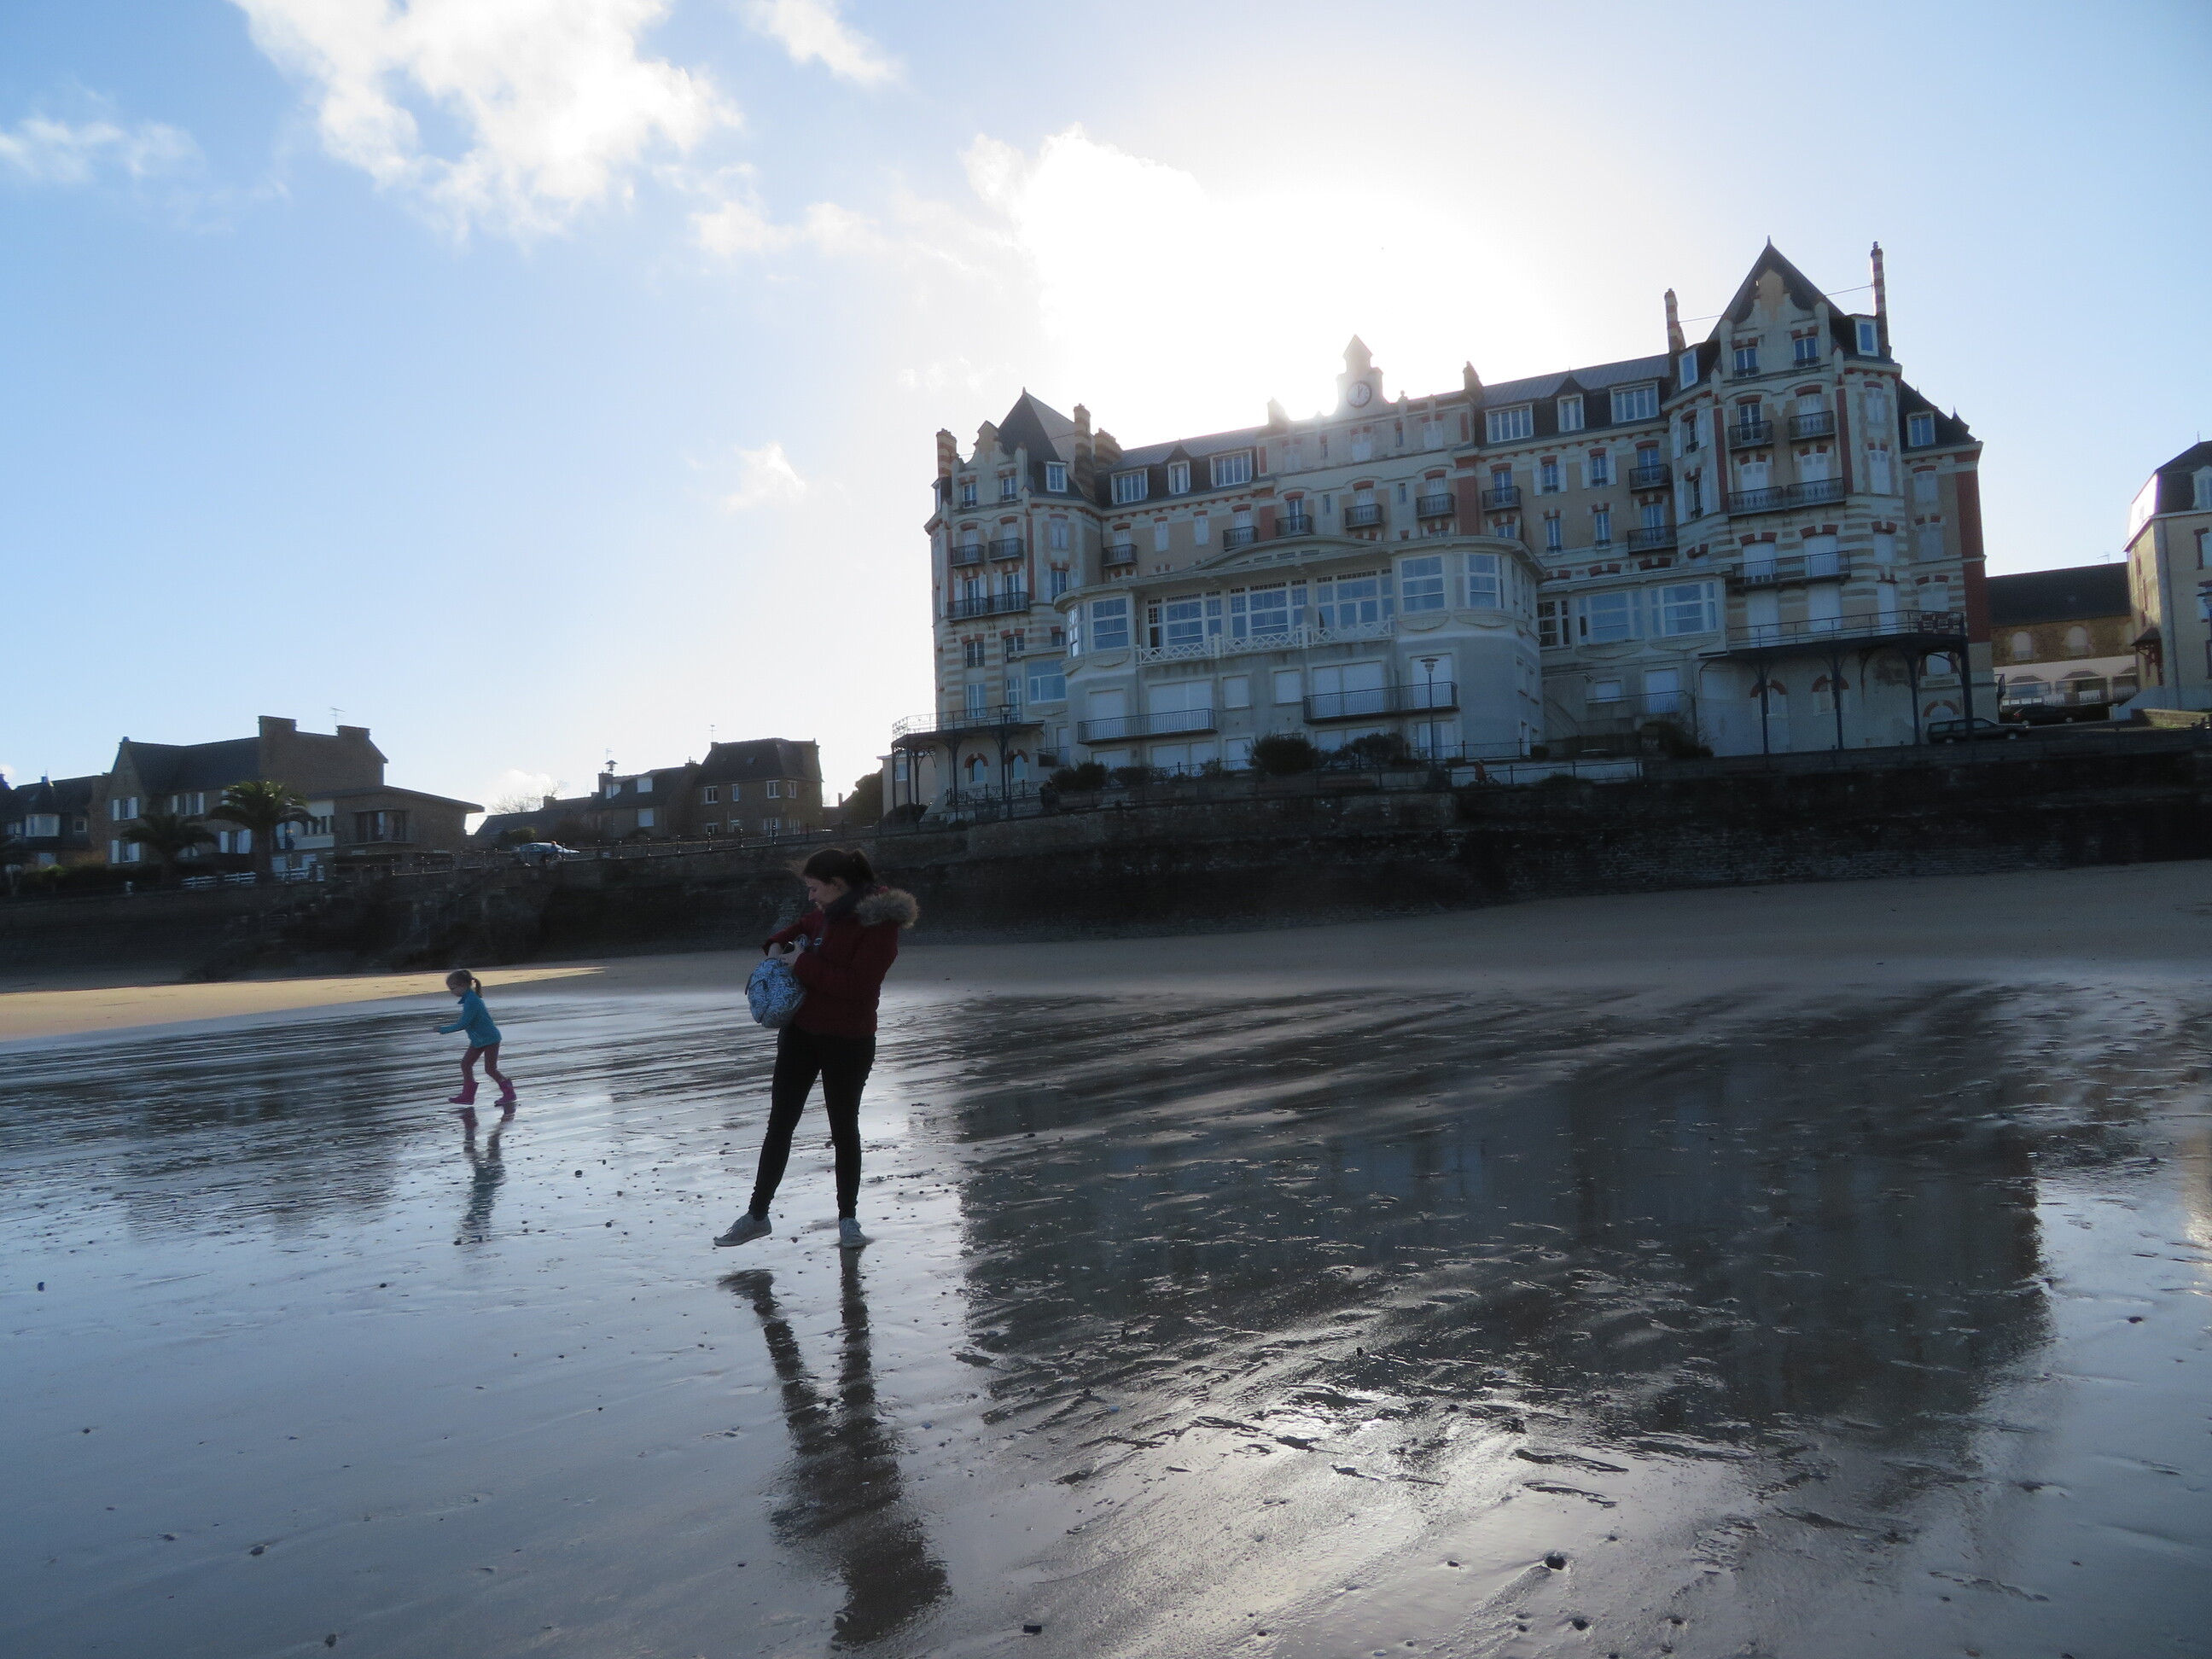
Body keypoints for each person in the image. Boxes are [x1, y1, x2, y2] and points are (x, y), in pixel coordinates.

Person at [715, 847, 918, 1250]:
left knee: (844, 1128)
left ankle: (848, 1221)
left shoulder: (879, 925)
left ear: (837, 885)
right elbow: (786, 935)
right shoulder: (825, 913)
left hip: (850, 1040)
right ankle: (756, 1216)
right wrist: (777, 952)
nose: (810, 897)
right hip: (801, 1034)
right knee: (780, 1124)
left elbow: (856, 986)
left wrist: (800, 963)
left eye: (814, 888)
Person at [437, 969, 516, 1109]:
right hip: (478, 1040)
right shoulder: (469, 1000)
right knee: (466, 1064)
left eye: (453, 988)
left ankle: (509, 1093)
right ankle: (468, 1096)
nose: (452, 992)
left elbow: (463, 1023)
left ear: (463, 986)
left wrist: (442, 1029)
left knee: (490, 1069)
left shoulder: (472, 1001)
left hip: (490, 1039)